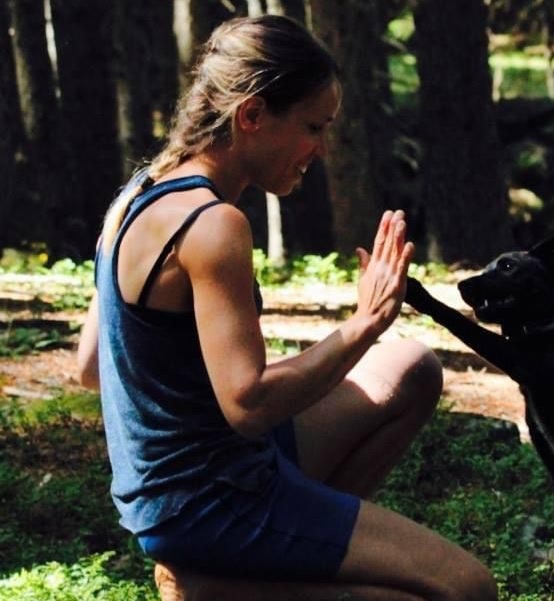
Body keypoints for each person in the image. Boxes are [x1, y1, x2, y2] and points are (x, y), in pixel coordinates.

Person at [76, 14, 497, 601]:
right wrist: (365, 323)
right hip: (213, 501)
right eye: (311, 128)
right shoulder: (213, 225)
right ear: (251, 115)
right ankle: (221, 585)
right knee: (465, 589)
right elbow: (249, 405)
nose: (321, 150)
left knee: (411, 370)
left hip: (189, 485)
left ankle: (274, 567)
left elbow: (91, 364)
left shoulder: (136, 194)